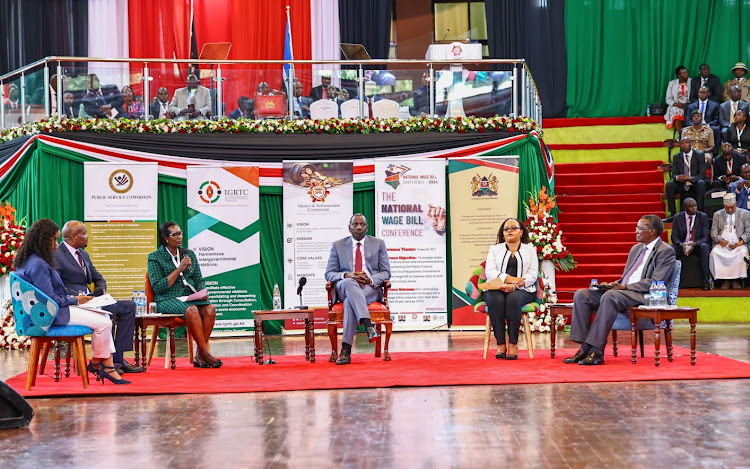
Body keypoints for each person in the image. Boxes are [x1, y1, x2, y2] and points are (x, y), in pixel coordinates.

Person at [13, 219, 130, 385]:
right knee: (104, 321)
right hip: (50, 314)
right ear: (43, 240)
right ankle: (102, 365)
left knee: (105, 317)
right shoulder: (39, 264)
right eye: (54, 239)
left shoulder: (29, 260)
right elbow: (51, 300)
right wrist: (76, 300)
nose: (56, 244)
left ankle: (102, 364)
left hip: (45, 312)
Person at [564, 215, 676, 365]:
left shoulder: (665, 251)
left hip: (646, 295)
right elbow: (627, 277)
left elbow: (656, 282)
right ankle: (584, 348)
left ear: (652, 231)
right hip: (625, 291)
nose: (636, 231)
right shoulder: (636, 248)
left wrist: (624, 287)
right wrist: (614, 284)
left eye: (640, 229)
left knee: (611, 296)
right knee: (582, 295)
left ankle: (596, 351)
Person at [54, 220, 143, 374]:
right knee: (110, 308)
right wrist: (79, 296)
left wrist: (101, 288)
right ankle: (105, 362)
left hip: (91, 300)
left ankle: (117, 359)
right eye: (84, 233)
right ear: (74, 237)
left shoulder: (83, 254)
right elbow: (57, 284)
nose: (87, 237)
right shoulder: (56, 254)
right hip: (74, 302)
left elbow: (97, 277)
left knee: (129, 306)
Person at [147, 221, 221, 368]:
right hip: (166, 299)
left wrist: (202, 292)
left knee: (210, 309)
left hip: (189, 297)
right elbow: (158, 287)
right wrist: (179, 268)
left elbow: (198, 279)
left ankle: (200, 355)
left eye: (180, 233)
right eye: (175, 234)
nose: (179, 237)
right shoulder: (155, 257)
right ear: (165, 238)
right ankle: (205, 354)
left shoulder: (189, 254)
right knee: (192, 310)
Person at [324, 214, 391, 365]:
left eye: (362, 225)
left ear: (367, 227)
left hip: (369, 288)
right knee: (349, 283)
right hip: (344, 286)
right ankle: (368, 326)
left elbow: (386, 272)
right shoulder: (338, 245)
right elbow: (329, 273)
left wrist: (370, 279)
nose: (359, 227)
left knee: (350, 302)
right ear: (349, 228)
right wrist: (348, 275)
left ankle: (345, 351)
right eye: (355, 224)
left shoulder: (378, 244)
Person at [483, 218, 538, 360]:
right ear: (502, 234)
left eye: (513, 228)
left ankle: (513, 343)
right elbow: (490, 271)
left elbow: (532, 274)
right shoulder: (494, 249)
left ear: (521, 232)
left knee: (513, 299)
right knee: (496, 300)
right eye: (506, 229)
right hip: (496, 287)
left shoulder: (530, 250)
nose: (509, 231)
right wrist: (510, 279)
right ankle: (501, 343)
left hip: (522, 290)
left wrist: (514, 286)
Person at [709, 193, 750, 290]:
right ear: (724, 206)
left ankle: (735, 280)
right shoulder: (717, 214)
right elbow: (713, 233)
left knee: (743, 253)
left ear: (736, 204)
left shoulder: (745, 214)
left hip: (739, 244)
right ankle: (725, 280)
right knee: (714, 253)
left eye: (732, 207)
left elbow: (748, 231)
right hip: (723, 244)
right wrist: (720, 241)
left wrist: (740, 243)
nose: (730, 210)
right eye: (727, 208)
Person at [670, 198, 712, 290]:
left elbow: (705, 237)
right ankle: (671, 280)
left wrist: (693, 245)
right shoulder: (677, 217)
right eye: (690, 206)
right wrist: (682, 246)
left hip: (697, 246)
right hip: (682, 246)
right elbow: (674, 237)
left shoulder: (702, 216)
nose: (694, 208)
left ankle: (706, 280)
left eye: (695, 205)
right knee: (670, 249)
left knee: (705, 247)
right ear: (685, 207)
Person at [665, 137, 707, 216]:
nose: (684, 145)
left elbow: (702, 175)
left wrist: (689, 178)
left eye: (686, 143)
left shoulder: (699, 155)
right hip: (682, 183)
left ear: (691, 144)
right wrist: (678, 177)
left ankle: (700, 211)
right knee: (669, 184)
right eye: (682, 143)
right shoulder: (676, 157)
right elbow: (674, 174)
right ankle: (672, 213)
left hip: (694, 182)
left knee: (701, 183)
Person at [665, 65, 691, 132]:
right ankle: (681, 135)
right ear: (678, 75)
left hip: (689, 105)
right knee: (676, 110)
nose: (686, 74)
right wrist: (676, 104)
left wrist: (687, 104)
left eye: (686, 72)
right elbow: (668, 99)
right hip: (677, 106)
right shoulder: (672, 83)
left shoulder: (692, 82)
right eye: (684, 73)